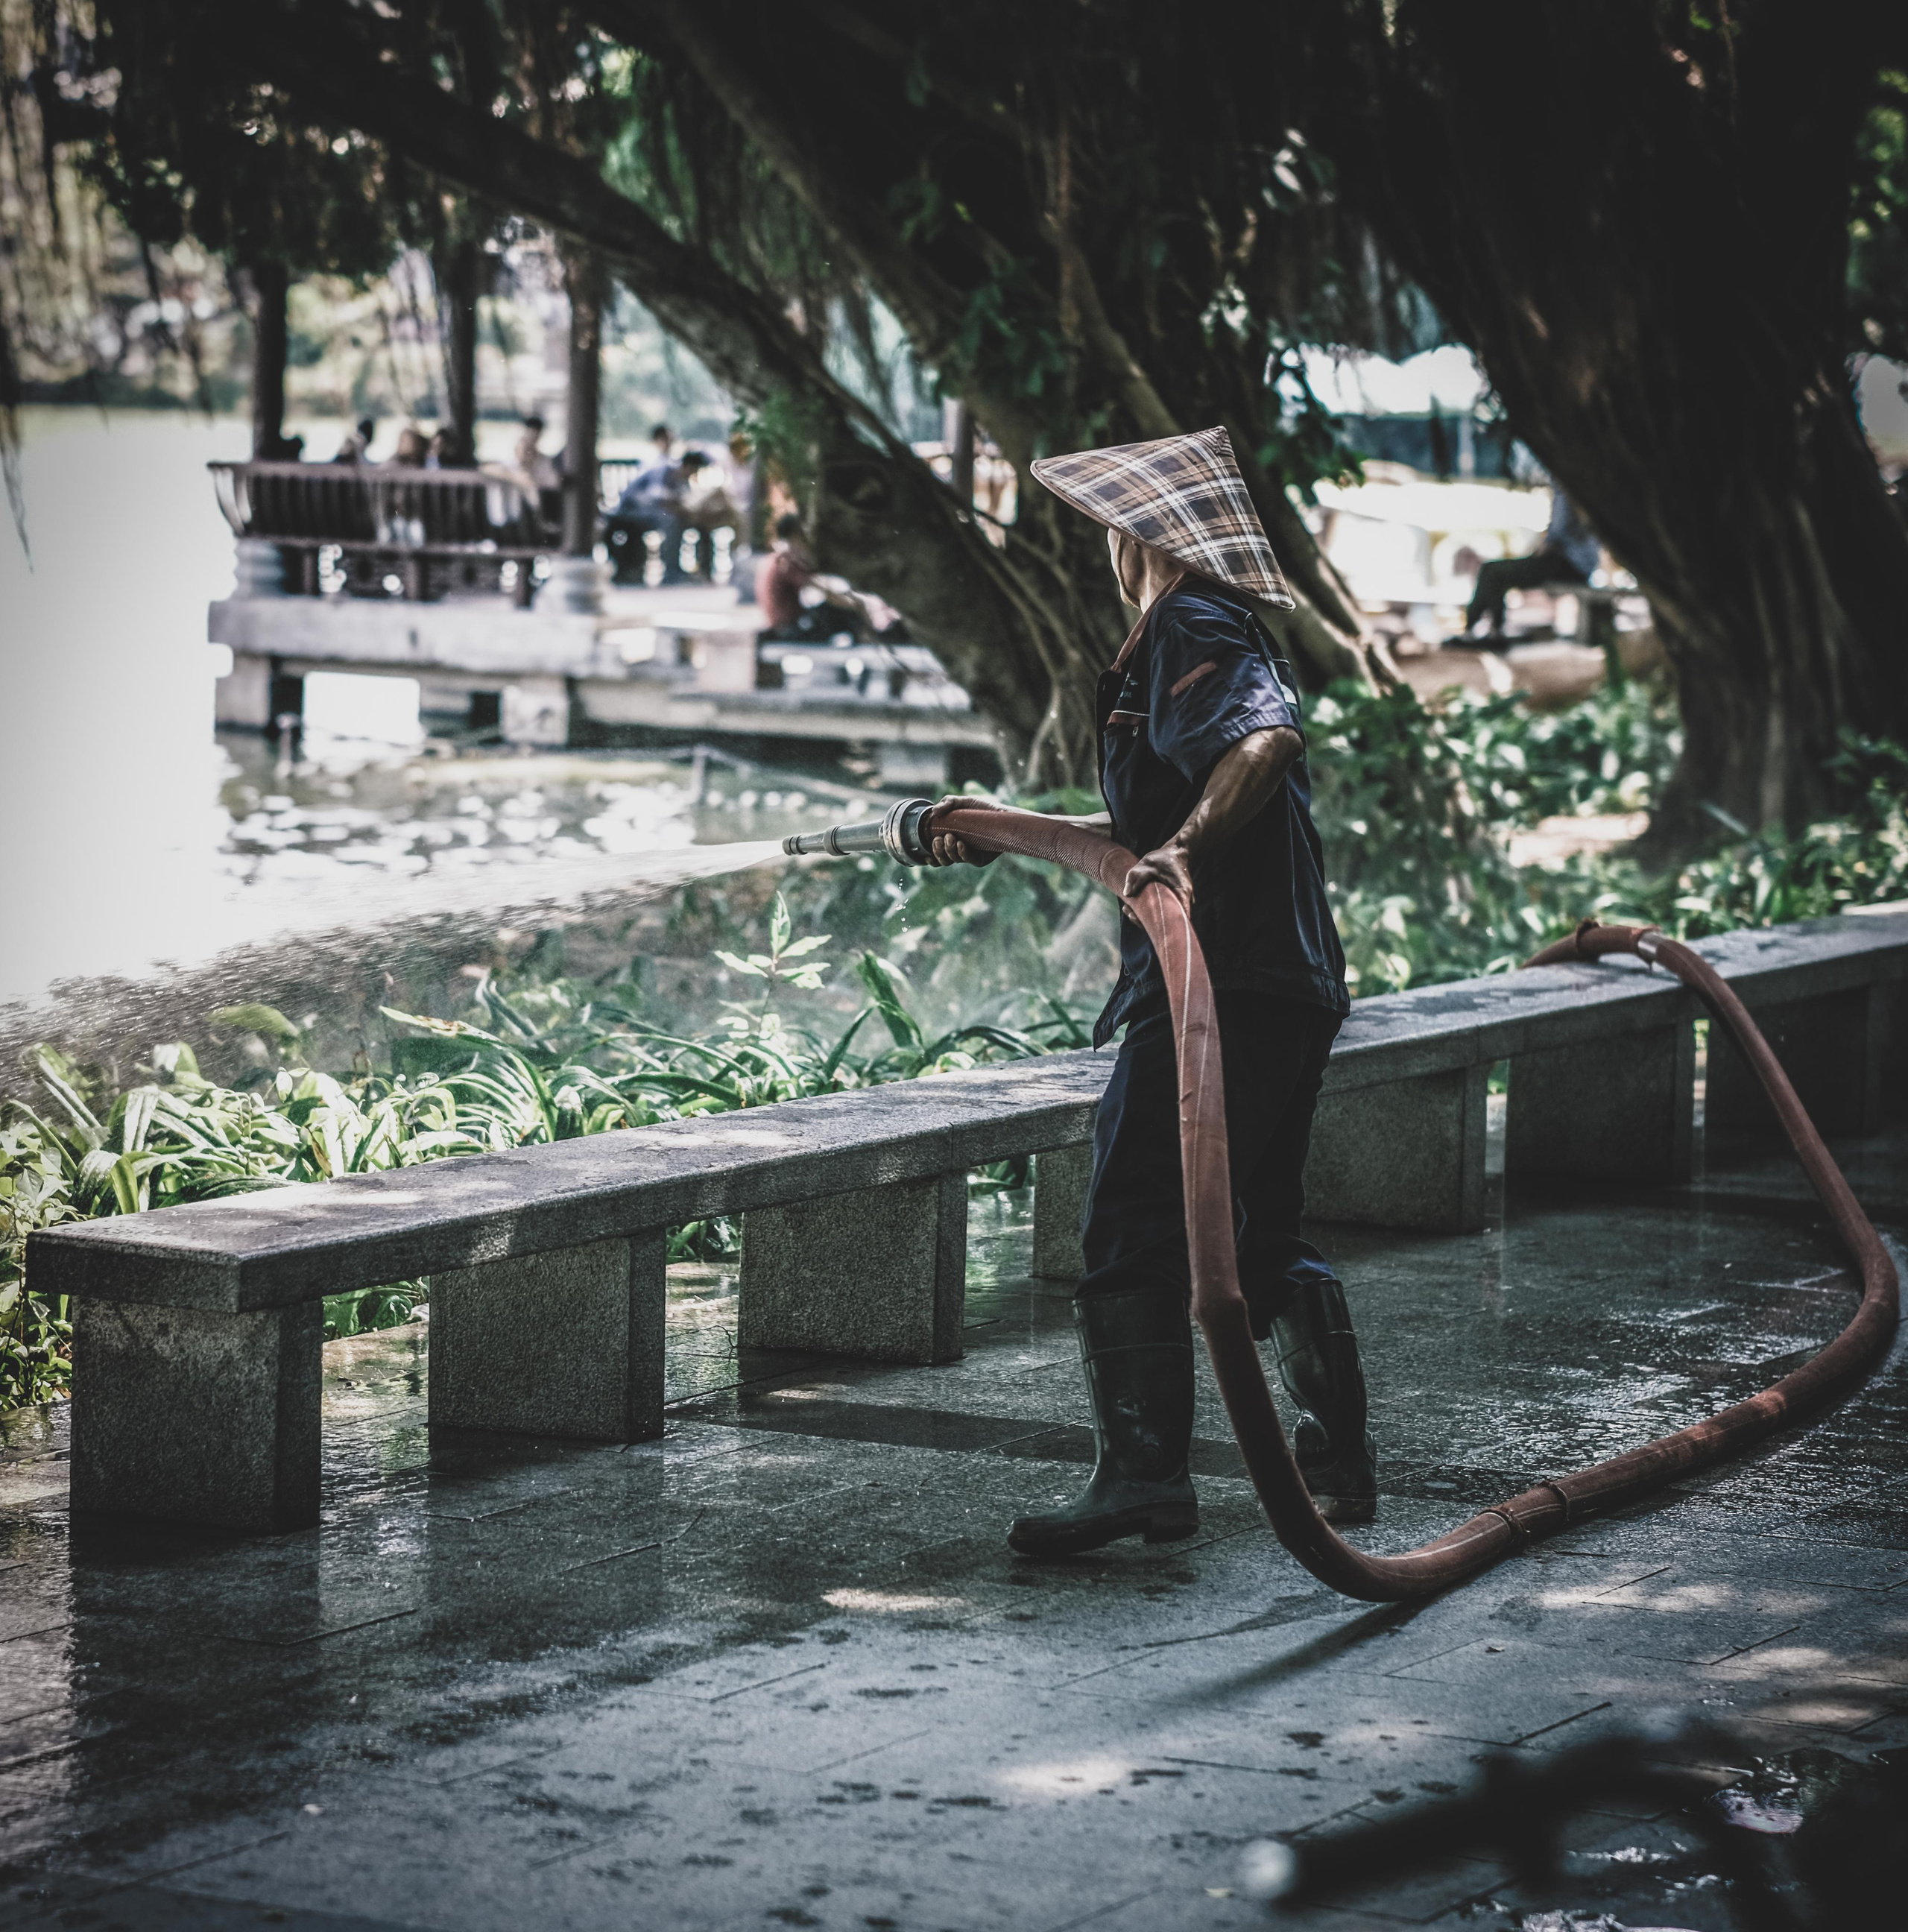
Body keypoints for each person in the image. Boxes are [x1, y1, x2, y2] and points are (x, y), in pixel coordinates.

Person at [928, 426, 1377, 1555]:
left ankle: (1142, 1477)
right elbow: (1151, 812)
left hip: (1218, 983)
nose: (1104, 547)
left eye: (1109, 530)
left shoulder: (1191, 620)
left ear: (1141, 535)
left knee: (1132, 1214)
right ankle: (1336, 1460)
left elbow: (1263, 741)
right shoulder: (1186, 635)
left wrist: (1180, 851)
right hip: (1280, 980)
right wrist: (1001, 829)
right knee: (1259, 1228)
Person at [1462, 487, 1601, 642]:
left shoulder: (1566, 489)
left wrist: (1543, 547)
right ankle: (1491, 629)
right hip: (1573, 563)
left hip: (1567, 563)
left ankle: (1477, 629)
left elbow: (1561, 528)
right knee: (1497, 575)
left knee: (1493, 571)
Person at [604, 426, 689, 584]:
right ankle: (669, 571)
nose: (669, 443)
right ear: (656, 441)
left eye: (671, 440)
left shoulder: (673, 463)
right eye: (666, 439)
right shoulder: (651, 463)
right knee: (671, 521)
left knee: (675, 519)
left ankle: (672, 571)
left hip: (653, 512)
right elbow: (649, 494)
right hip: (638, 511)